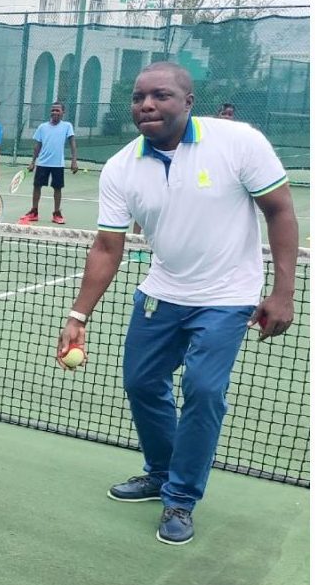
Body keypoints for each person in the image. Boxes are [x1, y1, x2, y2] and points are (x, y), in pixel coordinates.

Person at [56, 61, 298, 546]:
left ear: (188, 102)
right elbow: (108, 247)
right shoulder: (123, 166)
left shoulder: (238, 143)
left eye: (161, 95)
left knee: (204, 390)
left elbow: (281, 211)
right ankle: (162, 471)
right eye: (139, 97)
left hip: (228, 297)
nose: (146, 104)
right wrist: (78, 316)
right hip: (161, 294)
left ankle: (181, 498)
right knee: (141, 382)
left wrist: (283, 292)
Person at [19, 102, 78, 225]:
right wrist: (33, 162)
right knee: (37, 186)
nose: (55, 113)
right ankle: (34, 212)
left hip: (58, 164)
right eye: (53, 110)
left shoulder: (67, 126)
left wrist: (74, 161)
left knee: (57, 188)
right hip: (42, 163)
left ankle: (56, 213)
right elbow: (37, 146)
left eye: (57, 110)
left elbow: (72, 143)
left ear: (63, 112)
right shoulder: (42, 127)